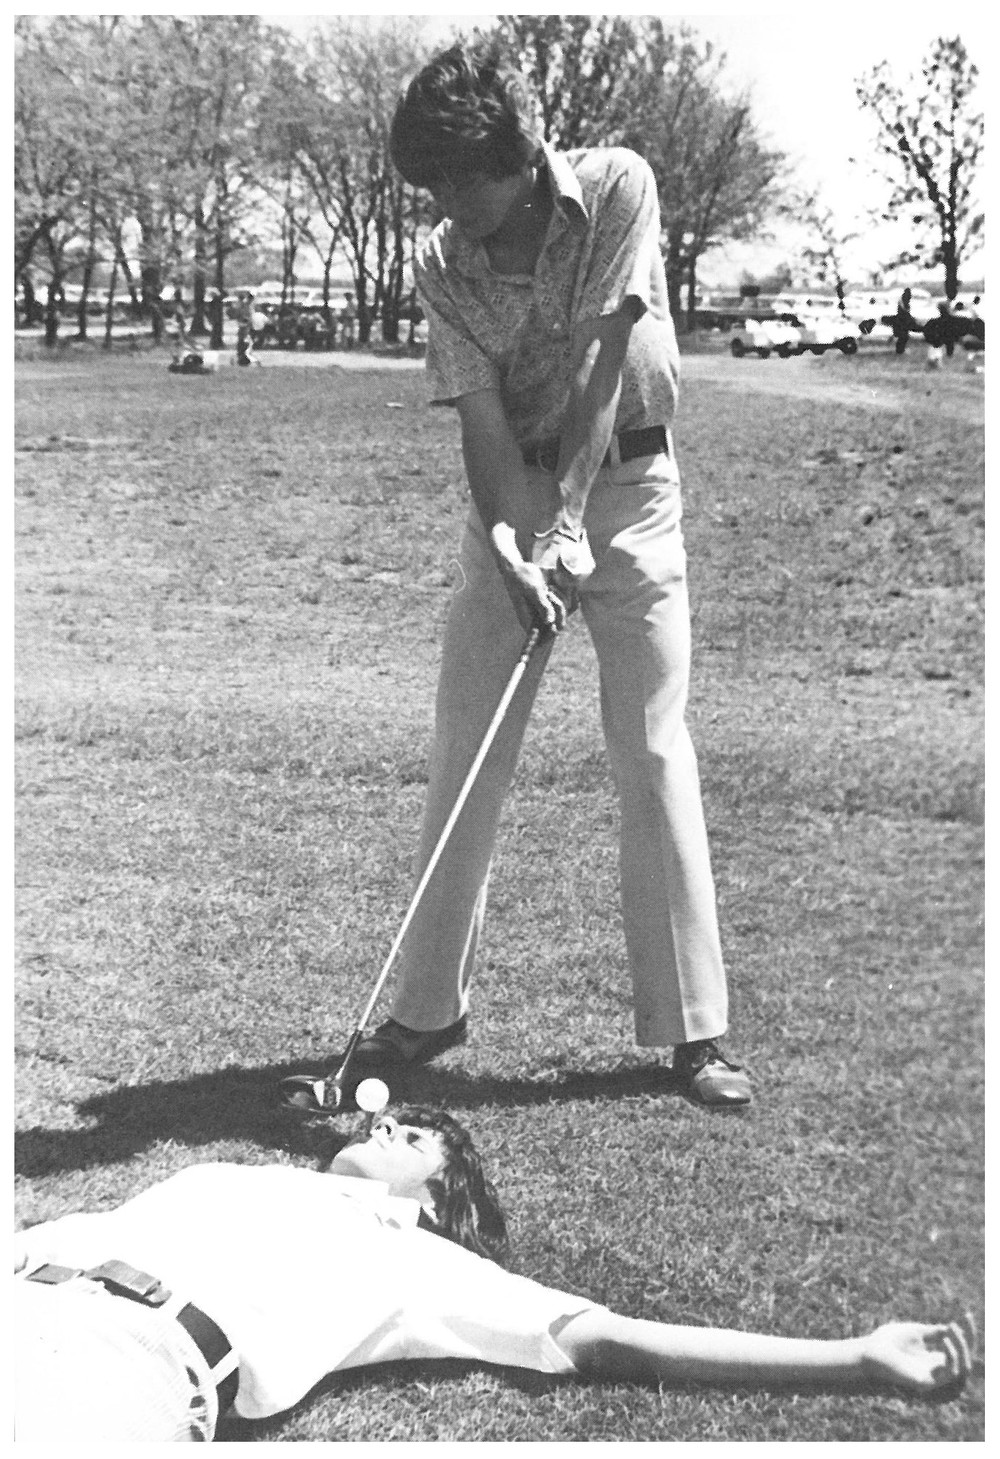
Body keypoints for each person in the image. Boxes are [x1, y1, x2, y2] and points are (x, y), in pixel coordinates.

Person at [333, 40, 750, 1107]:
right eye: (430, 186)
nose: (445, 205)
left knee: (651, 747)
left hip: (632, 486)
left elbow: (602, 361)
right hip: (513, 497)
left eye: (459, 181)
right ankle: (427, 1010)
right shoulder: (441, 261)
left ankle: (693, 1030)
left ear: (518, 157)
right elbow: (479, 419)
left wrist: (570, 520)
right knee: (465, 748)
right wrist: (517, 542)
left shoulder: (617, 187)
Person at [13, 1107, 975, 1441]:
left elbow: (610, 1340)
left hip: (126, 1362)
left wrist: (855, 1356)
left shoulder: (416, 1257)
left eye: (413, 1137)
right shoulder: (220, 1175)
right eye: (390, 1122)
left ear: (437, 1198)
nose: (384, 1125)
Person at [893, 287, 914, 355]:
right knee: (904, 337)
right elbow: (905, 312)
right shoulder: (905, 302)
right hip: (903, 322)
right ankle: (900, 350)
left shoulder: (901, 301)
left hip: (901, 321)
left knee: (902, 337)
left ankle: (900, 350)